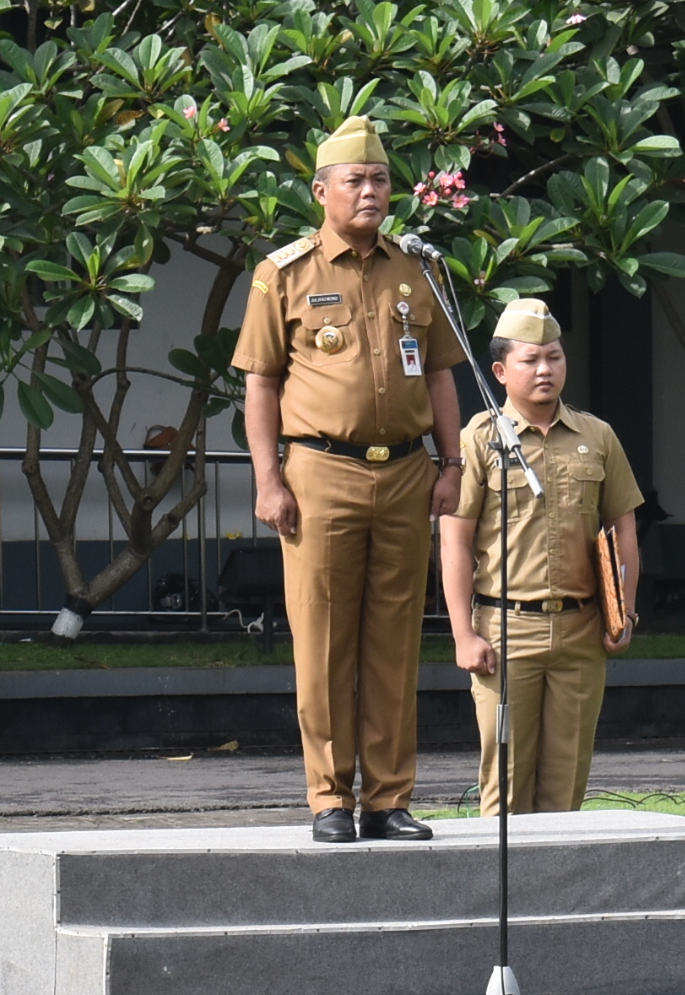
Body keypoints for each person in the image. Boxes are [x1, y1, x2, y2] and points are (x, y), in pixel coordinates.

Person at [234, 115, 467, 843]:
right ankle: (331, 798)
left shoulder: (416, 268)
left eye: (380, 180)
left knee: (395, 642)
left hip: (404, 472)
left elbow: (439, 374)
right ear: (321, 190)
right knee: (325, 641)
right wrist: (269, 480)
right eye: (356, 181)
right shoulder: (285, 272)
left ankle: (389, 798)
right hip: (319, 474)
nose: (371, 192)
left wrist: (453, 463)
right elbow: (261, 385)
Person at [440, 299, 644, 815]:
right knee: (505, 783)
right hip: (505, 634)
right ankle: (501, 893)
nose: (546, 370)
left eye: (554, 357)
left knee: (566, 782)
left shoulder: (597, 437)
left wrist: (624, 613)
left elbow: (623, 530)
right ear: (502, 371)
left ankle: (557, 894)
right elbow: (455, 540)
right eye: (531, 360)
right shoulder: (480, 439)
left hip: (581, 631)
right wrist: (464, 634)